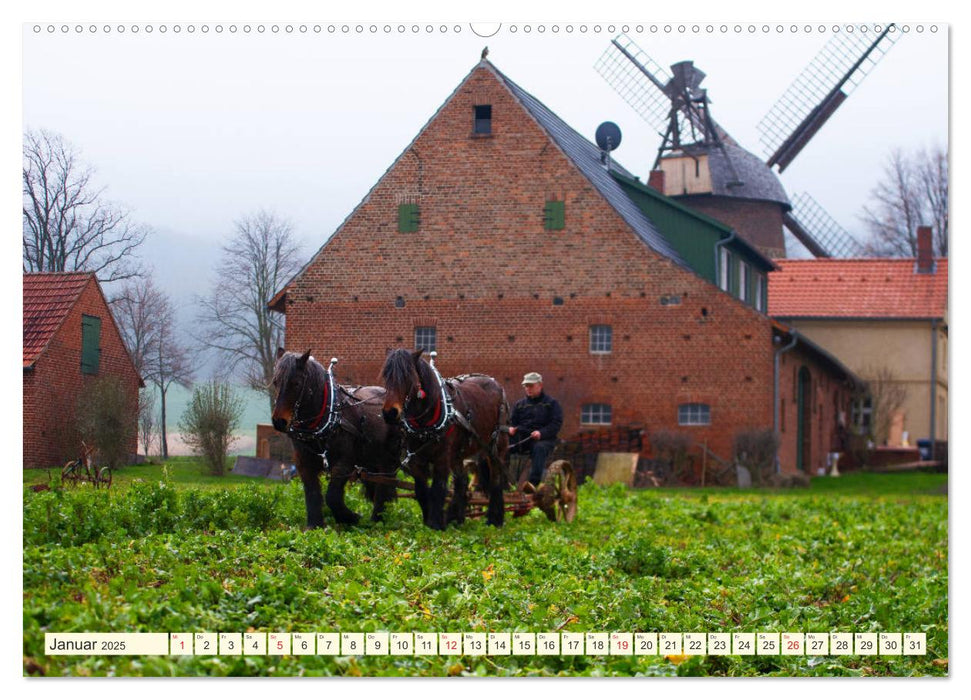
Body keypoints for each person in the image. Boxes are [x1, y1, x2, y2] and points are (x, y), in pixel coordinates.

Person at [508, 372, 563, 487]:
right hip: (523, 438)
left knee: (539, 448)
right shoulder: (519, 405)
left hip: (544, 439)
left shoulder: (551, 404)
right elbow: (512, 422)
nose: (528, 389)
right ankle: (502, 481)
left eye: (531, 386)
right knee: (502, 445)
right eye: (526, 386)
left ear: (540, 385)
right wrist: (511, 428)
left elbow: (556, 424)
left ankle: (532, 484)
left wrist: (541, 433)